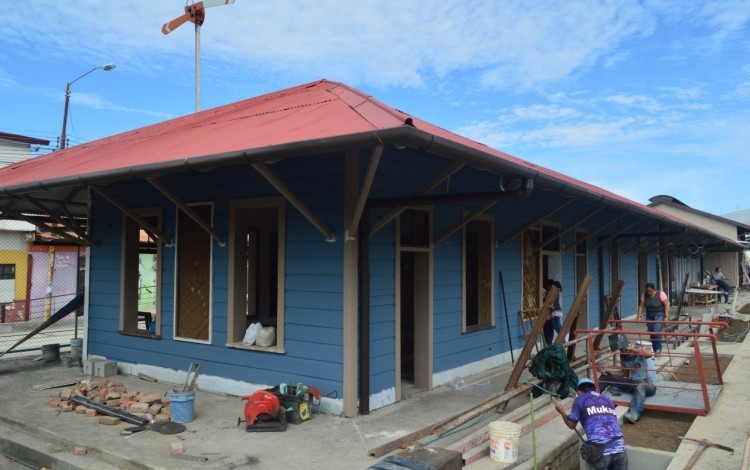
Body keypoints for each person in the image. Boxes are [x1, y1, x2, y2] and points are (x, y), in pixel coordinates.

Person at [555, 377, 628, 469]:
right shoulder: (607, 399)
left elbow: (571, 424)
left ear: (580, 392)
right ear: (595, 389)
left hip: (600, 451)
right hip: (620, 447)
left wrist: (561, 411)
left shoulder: (580, 400)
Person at [599, 334, 657, 424]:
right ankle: (590, 397)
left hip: (648, 385)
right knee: (605, 377)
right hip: (633, 382)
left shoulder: (638, 351)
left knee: (640, 386)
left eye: (624, 349)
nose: (623, 351)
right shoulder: (624, 356)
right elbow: (624, 373)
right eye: (621, 350)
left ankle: (635, 413)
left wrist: (632, 349)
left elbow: (649, 354)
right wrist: (609, 372)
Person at [636, 282, 668, 357]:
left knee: (656, 331)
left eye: (650, 291)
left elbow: (666, 304)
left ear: (654, 289)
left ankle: (658, 349)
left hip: (659, 314)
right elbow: (641, 306)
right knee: (652, 332)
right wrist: (639, 316)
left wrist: (666, 317)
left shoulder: (661, 294)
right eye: (647, 291)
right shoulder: (644, 295)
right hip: (649, 314)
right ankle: (653, 349)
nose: (649, 292)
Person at [542, 279, 563, 345]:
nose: (547, 287)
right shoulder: (554, 292)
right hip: (551, 314)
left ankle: (563, 342)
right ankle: (549, 344)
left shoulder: (553, 293)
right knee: (550, 330)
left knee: (557, 328)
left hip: (554, 314)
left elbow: (545, 293)